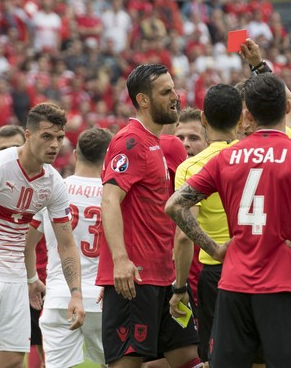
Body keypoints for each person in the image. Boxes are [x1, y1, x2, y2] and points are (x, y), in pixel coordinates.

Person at [166, 73, 291, 367]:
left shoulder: (226, 157)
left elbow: (175, 206)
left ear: (246, 113)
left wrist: (214, 248)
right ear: (287, 109)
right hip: (282, 285)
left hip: (233, 284)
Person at [0, 102, 85, 368]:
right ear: (28, 135)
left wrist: (75, 293)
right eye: (47, 136)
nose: (55, 145)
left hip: (14, 276)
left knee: (11, 361)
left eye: (59, 137)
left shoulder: (54, 183)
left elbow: (67, 245)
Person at [97, 64, 200, 368]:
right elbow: (109, 200)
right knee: (128, 362)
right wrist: (120, 260)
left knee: (188, 357)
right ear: (143, 100)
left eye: (173, 89)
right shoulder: (129, 141)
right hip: (135, 277)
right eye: (165, 92)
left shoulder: (157, 143)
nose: (175, 97)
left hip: (165, 277)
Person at [25, 128, 113, 368]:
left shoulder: (54, 189)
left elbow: (27, 242)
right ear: (109, 158)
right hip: (104, 297)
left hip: (60, 296)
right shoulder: (114, 195)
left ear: (75, 154)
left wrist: (32, 278)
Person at [169, 83, 243, 365]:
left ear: (204, 120)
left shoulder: (190, 167)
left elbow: (184, 237)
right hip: (256, 264)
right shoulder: (255, 156)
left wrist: (179, 288)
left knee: (217, 356)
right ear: (240, 119)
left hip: (216, 271)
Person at [0, 125, 46, 368]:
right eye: (3, 149)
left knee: (43, 348)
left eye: (15, 147)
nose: (10, 153)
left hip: (38, 278)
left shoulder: (46, 183)